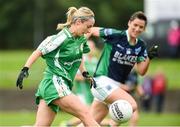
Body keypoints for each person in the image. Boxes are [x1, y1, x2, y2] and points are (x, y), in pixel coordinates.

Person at [16, 7, 100, 126]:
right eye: (88, 26)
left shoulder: (80, 39)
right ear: (78, 22)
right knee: (86, 113)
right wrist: (25, 69)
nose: (89, 31)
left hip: (58, 84)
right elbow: (38, 51)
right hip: (54, 83)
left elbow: (79, 55)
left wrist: (85, 73)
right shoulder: (61, 38)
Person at [85, 11, 158, 126]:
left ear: (144, 29)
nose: (137, 28)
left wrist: (149, 57)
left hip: (115, 87)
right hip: (102, 82)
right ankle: (111, 125)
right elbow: (90, 30)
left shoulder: (141, 46)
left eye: (141, 27)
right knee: (131, 105)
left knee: (90, 123)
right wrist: (80, 47)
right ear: (129, 23)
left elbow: (141, 72)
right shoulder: (116, 35)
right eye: (135, 25)